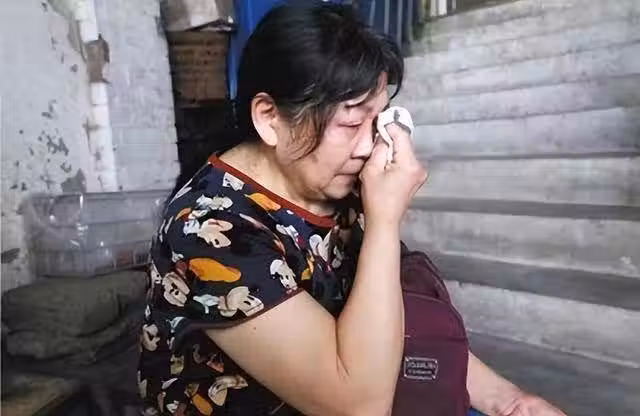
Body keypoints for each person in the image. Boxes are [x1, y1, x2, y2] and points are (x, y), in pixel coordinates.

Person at [138, 4, 566, 416]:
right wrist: (384, 221)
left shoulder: (334, 187)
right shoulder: (209, 228)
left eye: (376, 121)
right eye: (349, 123)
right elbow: (359, 406)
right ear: (269, 118)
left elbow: (391, 319)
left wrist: (508, 401)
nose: (368, 147)